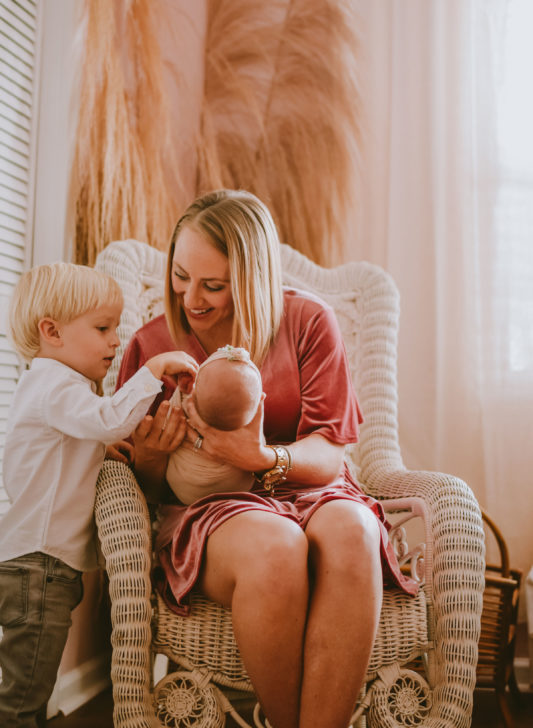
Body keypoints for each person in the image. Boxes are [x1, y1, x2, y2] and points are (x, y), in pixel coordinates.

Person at [113, 189, 419, 728]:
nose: (191, 299)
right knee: (278, 547)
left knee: (353, 530)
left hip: (312, 489)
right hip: (214, 507)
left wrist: (260, 455)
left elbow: (329, 452)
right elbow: (147, 485)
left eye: (214, 285)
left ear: (255, 277)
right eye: (181, 275)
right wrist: (155, 460)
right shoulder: (152, 345)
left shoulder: (307, 322)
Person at [0, 262, 198, 728]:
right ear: (52, 332)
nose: (116, 340)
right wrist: (151, 370)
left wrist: (99, 448)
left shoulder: (48, 387)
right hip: (39, 567)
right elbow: (110, 416)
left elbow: (65, 443)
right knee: (24, 689)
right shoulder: (57, 386)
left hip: (35, 563)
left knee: (31, 675)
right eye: (103, 328)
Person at [165, 345, 261, 504]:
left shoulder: (186, 405)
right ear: (260, 400)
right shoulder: (248, 414)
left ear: (192, 388)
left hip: (185, 489)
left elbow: (167, 421)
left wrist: (183, 390)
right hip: (240, 487)